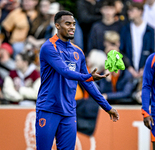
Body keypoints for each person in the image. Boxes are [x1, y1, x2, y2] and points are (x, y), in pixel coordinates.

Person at [35, 10, 119, 150]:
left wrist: (107, 107)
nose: (72, 27)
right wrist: (89, 76)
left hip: (69, 111)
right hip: (49, 109)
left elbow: (88, 84)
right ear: (57, 25)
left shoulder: (78, 52)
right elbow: (65, 72)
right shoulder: (49, 47)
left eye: (73, 24)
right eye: (67, 23)